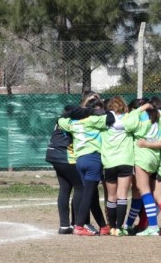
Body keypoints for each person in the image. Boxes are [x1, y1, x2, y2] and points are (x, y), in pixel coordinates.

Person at [120, 96, 161, 236]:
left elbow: (127, 124)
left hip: (143, 156)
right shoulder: (158, 118)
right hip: (155, 157)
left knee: (146, 192)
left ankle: (154, 226)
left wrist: (138, 111)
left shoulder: (140, 117)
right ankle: (131, 224)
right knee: (145, 192)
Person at [58, 97, 112, 236]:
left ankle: (103, 226)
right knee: (88, 195)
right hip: (94, 159)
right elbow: (110, 117)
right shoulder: (93, 120)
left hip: (80, 160)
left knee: (92, 195)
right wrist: (94, 112)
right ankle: (79, 225)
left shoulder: (71, 123)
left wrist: (77, 111)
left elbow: (60, 119)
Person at [45, 105, 82, 234]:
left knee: (65, 188)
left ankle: (65, 225)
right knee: (80, 186)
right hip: (64, 156)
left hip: (54, 155)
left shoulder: (61, 120)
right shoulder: (68, 122)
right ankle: (78, 224)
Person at [100, 96, 134, 236]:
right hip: (125, 160)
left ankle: (112, 226)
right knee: (122, 196)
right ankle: (120, 227)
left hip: (109, 162)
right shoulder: (128, 119)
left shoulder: (104, 121)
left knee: (111, 197)